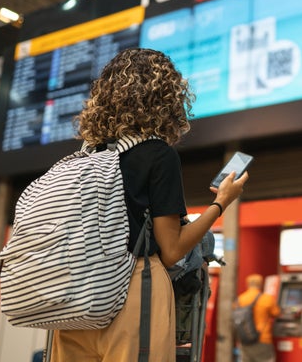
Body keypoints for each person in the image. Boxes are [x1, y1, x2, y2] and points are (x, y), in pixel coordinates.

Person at [49, 48, 249, 361]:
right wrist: (221, 202)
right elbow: (171, 249)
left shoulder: (89, 156)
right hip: (130, 296)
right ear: (165, 97)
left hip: (76, 299)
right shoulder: (157, 155)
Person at [236, 274, 281, 362]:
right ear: (261, 284)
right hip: (262, 338)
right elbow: (277, 313)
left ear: (247, 284)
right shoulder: (267, 299)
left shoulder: (240, 299)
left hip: (245, 339)